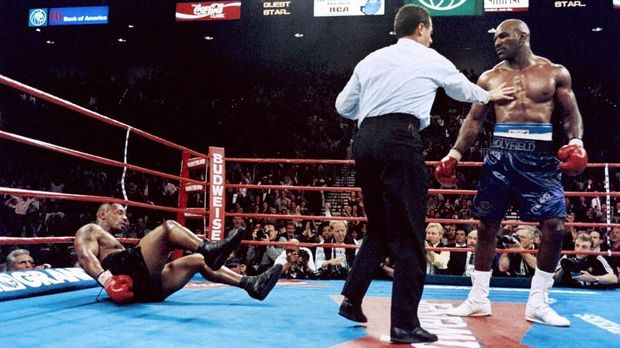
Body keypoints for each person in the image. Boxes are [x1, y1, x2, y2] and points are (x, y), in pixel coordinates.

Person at [334, 4, 514, 344]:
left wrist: (374, 110)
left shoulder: (370, 60)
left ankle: (352, 300)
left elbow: (343, 106)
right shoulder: (429, 58)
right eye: (430, 30)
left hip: (364, 141)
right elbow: (461, 90)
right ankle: (403, 324)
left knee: (380, 229)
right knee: (411, 236)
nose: (432, 37)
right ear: (420, 28)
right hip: (400, 139)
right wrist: (489, 94)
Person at [436, 19, 588, 326]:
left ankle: (538, 302)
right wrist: (454, 153)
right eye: (496, 37)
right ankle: (478, 299)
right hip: (500, 155)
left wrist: (576, 142)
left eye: (504, 36)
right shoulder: (489, 77)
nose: (497, 41)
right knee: (487, 224)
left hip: (540, 157)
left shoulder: (554, 72)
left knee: (556, 224)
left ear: (523, 37)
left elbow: (570, 113)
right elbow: (474, 119)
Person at [74, 203, 282, 304]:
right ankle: (208, 248)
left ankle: (250, 284)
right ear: (102, 213)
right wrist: (108, 281)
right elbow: (85, 257)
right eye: (120, 212)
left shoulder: (112, 240)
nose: (126, 218)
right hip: (124, 272)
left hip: (144, 288)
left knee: (198, 261)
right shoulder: (90, 230)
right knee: (168, 229)